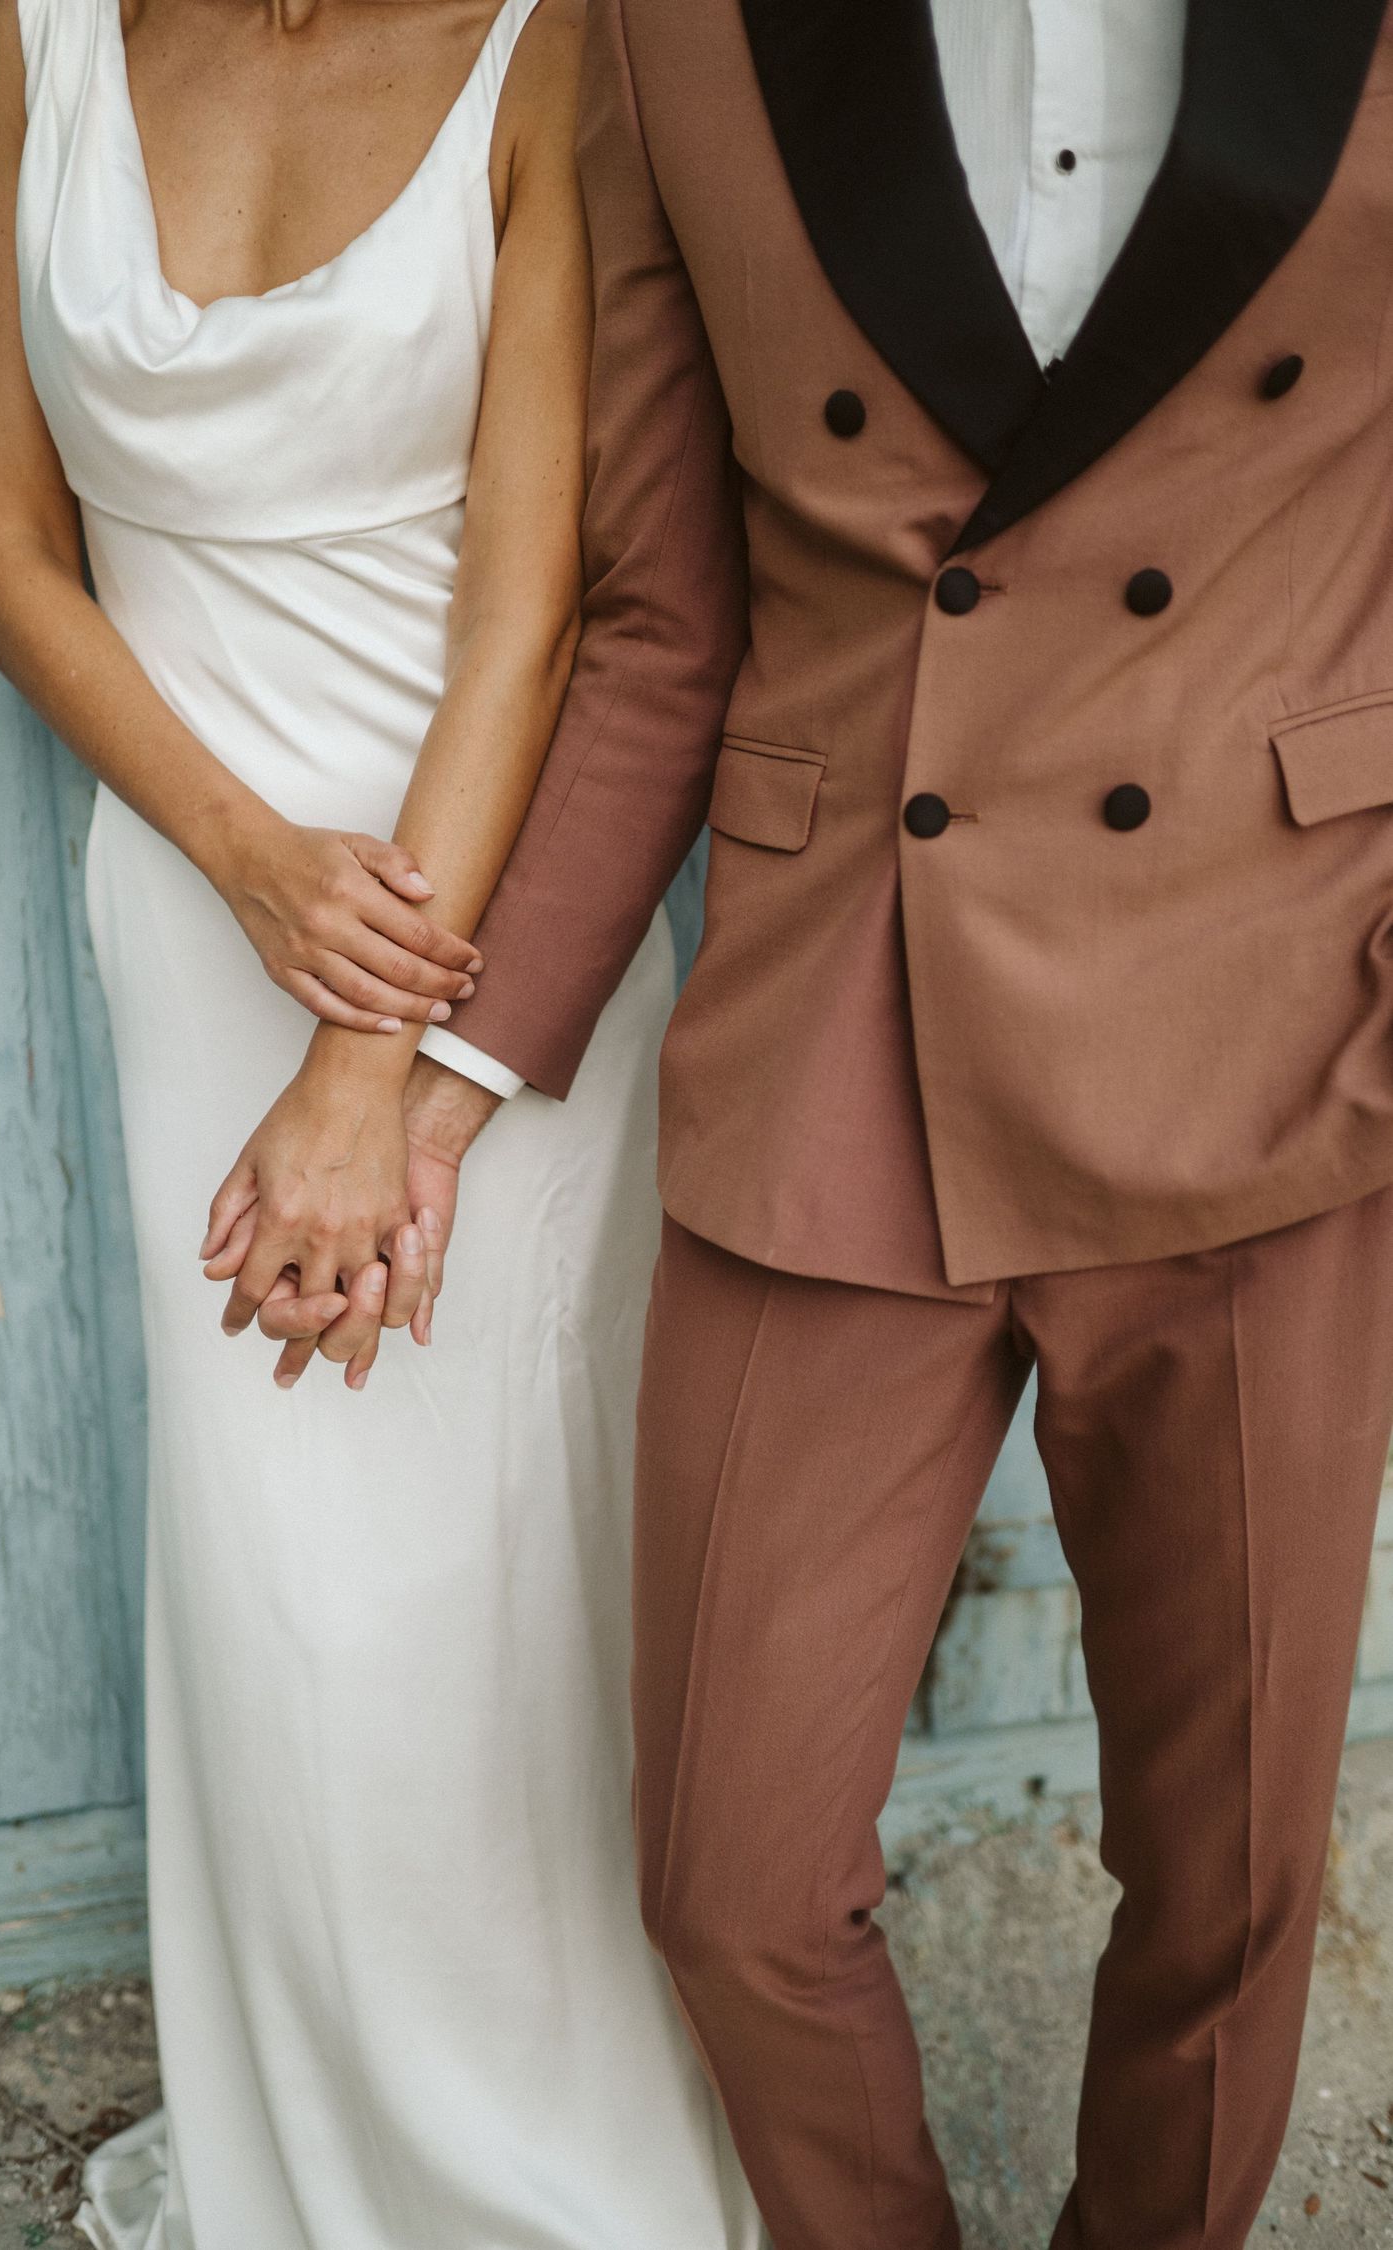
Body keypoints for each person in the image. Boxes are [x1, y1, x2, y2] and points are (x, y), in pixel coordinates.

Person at [266, 0, 1393, 2244]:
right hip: (841, 1023)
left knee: (1233, 1876)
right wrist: (436, 1072)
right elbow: (662, 614)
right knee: (729, 1874)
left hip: (1273, 1011)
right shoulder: (664, 25)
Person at [0, 1, 764, 2245]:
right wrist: (247, 865)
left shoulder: (549, 42)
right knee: (274, 1590)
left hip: (478, 929)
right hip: (200, 917)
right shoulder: (41, 31)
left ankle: (559, 2182)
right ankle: (314, 2173)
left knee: (485, 1606)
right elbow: (10, 539)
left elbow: (530, 616)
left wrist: (376, 1051)